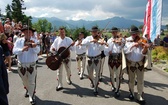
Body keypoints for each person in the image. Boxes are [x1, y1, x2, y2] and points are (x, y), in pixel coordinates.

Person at [13, 26, 40, 105]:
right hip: (22, 65)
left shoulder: (35, 41)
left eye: (30, 32)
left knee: (31, 82)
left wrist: (34, 47)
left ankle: (31, 96)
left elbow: (38, 51)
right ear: (23, 33)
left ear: (31, 33)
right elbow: (14, 51)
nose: (28, 33)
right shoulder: (19, 41)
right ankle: (28, 89)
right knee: (24, 81)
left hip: (31, 65)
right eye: (26, 32)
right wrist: (22, 49)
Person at [124, 26, 149, 103]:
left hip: (140, 63)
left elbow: (144, 53)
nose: (134, 35)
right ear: (131, 33)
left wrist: (145, 48)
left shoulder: (143, 40)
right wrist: (133, 45)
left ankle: (140, 95)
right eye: (133, 34)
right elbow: (125, 51)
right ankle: (131, 92)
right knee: (131, 80)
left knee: (140, 80)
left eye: (136, 33)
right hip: (131, 64)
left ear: (138, 33)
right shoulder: (128, 40)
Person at [81, 26, 105, 95]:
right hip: (89, 59)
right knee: (89, 74)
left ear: (97, 32)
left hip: (97, 58)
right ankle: (92, 82)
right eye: (93, 31)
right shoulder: (88, 38)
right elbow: (83, 43)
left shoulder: (100, 39)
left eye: (96, 31)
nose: (94, 33)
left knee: (96, 74)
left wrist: (101, 44)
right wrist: (91, 41)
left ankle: (95, 88)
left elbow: (102, 49)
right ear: (91, 32)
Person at [50, 27, 75, 91]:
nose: (62, 33)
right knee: (59, 72)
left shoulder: (69, 39)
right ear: (59, 33)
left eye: (63, 32)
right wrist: (53, 49)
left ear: (65, 32)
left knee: (68, 70)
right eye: (61, 32)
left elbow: (73, 49)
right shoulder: (57, 40)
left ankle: (68, 79)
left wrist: (72, 45)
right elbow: (52, 47)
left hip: (67, 58)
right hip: (59, 58)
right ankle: (60, 84)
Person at [104, 27, 125, 97]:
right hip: (111, 58)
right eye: (113, 32)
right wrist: (108, 51)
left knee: (118, 75)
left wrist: (120, 42)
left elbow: (124, 45)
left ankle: (117, 90)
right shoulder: (109, 40)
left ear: (117, 32)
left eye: (115, 32)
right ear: (111, 33)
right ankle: (113, 85)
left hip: (118, 57)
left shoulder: (121, 39)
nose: (114, 33)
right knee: (112, 74)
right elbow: (106, 49)